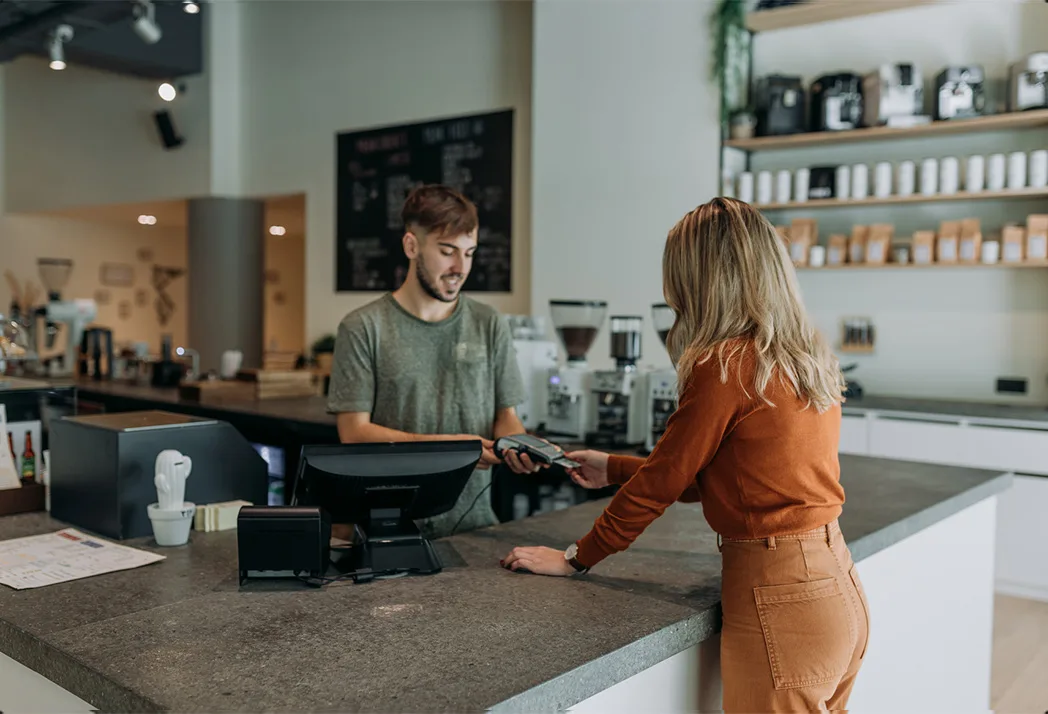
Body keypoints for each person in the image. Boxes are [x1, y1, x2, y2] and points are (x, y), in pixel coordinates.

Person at [501, 197, 871, 713]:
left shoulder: (724, 362)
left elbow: (663, 484)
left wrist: (576, 558)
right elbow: (716, 476)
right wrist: (611, 466)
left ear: (698, 279)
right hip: (836, 585)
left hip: (780, 593)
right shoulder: (798, 355)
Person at [327, 184, 544, 537]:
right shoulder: (363, 327)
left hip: (474, 527)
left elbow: (506, 416)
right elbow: (354, 433)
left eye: (470, 253)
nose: (461, 267)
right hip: (386, 528)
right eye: (447, 251)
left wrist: (518, 447)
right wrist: (450, 450)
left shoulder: (488, 322)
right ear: (411, 245)